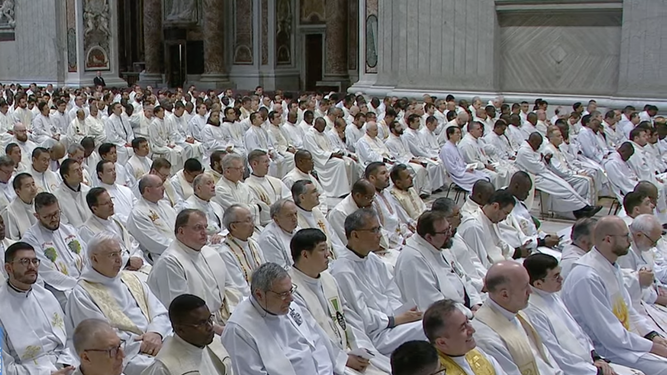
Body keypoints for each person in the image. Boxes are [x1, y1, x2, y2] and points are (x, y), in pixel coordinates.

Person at [563, 216, 667, 374]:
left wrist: (652, 336)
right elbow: (608, 333)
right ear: (608, 240)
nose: (630, 241)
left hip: (624, 342)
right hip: (606, 351)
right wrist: (653, 347)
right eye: (625, 236)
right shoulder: (587, 276)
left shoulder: (611, 266)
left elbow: (628, 308)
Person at [290, 228, 391, 374]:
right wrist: (343, 359)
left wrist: (360, 346)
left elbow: (347, 316)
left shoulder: (328, 279)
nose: (328, 254)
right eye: (322, 249)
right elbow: (311, 334)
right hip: (328, 361)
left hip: (350, 350)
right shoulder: (292, 290)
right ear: (305, 254)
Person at [66, 233, 170, 375]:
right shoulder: (82, 294)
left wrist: (156, 333)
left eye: (120, 253)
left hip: (158, 340)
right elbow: (97, 338)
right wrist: (143, 344)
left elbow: (159, 311)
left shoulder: (130, 278)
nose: (119, 260)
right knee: (166, 367)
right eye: (112, 255)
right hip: (125, 356)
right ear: (94, 259)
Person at [524, 253, 643, 375]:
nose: (561, 279)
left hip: (590, 362)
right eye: (556, 276)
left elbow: (578, 331)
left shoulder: (552, 294)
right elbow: (556, 354)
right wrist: (595, 371)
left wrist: (595, 357)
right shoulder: (533, 311)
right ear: (538, 283)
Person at [329, 208, 426, 355]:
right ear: (355, 235)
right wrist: (394, 319)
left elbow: (391, 291)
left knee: (435, 319)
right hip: (377, 335)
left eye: (379, 229)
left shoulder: (372, 258)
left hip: (394, 323)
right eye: (374, 230)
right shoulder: (342, 271)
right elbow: (362, 317)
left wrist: (402, 313)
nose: (379, 235)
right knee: (431, 328)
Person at [222, 263, 340, 375]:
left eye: (291, 290)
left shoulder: (289, 307)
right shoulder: (239, 330)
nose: (291, 299)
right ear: (259, 294)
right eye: (283, 294)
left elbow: (317, 345)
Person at [148, 209, 244, 329]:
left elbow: (230, 287)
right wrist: (218, 329)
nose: (204, 232)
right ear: (181, 231)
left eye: (205, 227)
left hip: (225, 317)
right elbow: (181, 311)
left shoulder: (210, 252)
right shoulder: (170, 262)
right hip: (197, 328)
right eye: (198, 228)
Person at [472, 261, 564, 375]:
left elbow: (546, 357)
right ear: (504, 294)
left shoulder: (518, 313)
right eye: (525, 287)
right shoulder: (486, 337)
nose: (530, 291)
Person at [0, 242, 77, 375]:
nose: (32, 267)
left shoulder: (46, 296)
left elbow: (68, 337)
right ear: (9, 268)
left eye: (35, 261)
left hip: (66, 364)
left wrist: (68, 364)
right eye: (24, 262)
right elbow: (5, 367)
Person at [395, 210, 482, 313]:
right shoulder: (413, 260)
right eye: (445, 232)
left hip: (466, 308)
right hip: (445, 319)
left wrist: (474, 302)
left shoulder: (441, 244)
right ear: (429, 237)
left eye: (449, 228)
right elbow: (432, 304)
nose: (450, 233)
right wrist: (468, 313)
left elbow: (462, 276)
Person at [516, 132, 601, 218]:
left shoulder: (532, 149)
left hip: (542, 174)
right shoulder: (524, 151)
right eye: (537, 144)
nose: (538, 147)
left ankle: (582, 208)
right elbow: (537, 167)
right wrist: (543, 161)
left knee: (565, 186)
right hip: (533, 177)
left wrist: (545, 160)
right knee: (562, 189)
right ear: (532, 141)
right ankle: (581, 209)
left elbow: (540, 163)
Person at [22, 192, 86, 306]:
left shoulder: (68, 230)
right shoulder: (31, 239)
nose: (54, 219)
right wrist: (78, 284)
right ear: (37, 216)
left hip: (84, 281)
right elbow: (46, 272)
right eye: (47, 216)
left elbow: (86, 255)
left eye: (56, 213)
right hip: (59, 290)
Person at [142, 294, 232, 375]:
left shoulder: (214, 342)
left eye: (209, 319)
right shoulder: (164, 368)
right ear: (180, 329)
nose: (210, 327)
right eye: (201, 323)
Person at [80, 187, 150, 280]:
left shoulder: (116, 219)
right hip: (118, 272)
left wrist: (137, 258)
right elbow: (97, 259)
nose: (111, 204)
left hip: (138, 262)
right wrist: (127, 262)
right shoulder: (88, 230)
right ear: (95, 208)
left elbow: (131, 242)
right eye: (106, 203)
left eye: (111, 200)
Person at [423, 299, 507, 375]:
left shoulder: (476, 352)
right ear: (442, 342)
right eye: (463, 328)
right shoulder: (435, 370)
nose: (472, 330)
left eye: (467, 322)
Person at [458, 189, 528, 268]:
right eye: (505, 213)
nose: (505, 218)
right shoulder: (473, 226)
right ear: (495, 206)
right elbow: (478, 263)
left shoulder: (492, 220)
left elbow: (500, 244)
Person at [499, 171, 561, 257]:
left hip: (535, 241)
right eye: (526, 191)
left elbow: (531, 226)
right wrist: (542, 242)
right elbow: (517, 238)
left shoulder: (518, 201)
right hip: (526, 249)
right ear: (516, 186)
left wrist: (546, 236)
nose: (528, 195)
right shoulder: (503, 204)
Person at [303, 117, 360, 198]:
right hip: (320, 160)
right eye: (322, 127)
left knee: (350, 161)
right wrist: (331, 155)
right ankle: (340, 191)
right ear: (316, 124)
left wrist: (337, 152)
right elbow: (315, 152)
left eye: (324, 127)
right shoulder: (309, 135)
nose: (323, 129)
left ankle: (351, 187)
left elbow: (331, 146)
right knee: (340, 163)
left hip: (328, 156)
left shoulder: (323, 133)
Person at [384, 120, 443, 197]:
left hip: (410, 158)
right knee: (419, 169)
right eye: (398, 126)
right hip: (402, 162)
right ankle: (416, 192)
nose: (401, 128)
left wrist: (415, 159)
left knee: (427, 164)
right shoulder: (389, 142)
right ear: (392, 129)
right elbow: (397, 157)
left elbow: (408, 151)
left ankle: (425, 190)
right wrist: (412, 161)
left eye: (400, 125)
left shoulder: (402, 138)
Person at [126, 174, 177, 262]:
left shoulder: (164, 205)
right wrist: (182, 246)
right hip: (162, 256)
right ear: (147, 190)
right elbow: (154, 243)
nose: (163, 188)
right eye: (159, 186)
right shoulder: (138, 214)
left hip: (178, 249)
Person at [218, 204, 265, 296]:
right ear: (233, 226)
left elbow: (266, 271)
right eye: (248, 220)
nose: (252, 224)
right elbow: (240, 288)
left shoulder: (254, 244)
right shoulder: (225, 253)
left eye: (252, 219)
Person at [292, 179, 344, 257]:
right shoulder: (295, 219)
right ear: (302, 197)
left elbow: (333, 238)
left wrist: (342, 257)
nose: (318, 194)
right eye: (314, 192)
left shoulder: (316, 211)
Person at [212, 153, 264, 228]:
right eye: (238, 169)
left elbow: (252, 204)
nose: (242, 171)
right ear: (227, 171)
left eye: (242, 168)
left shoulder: (244, 186)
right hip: (233, 229)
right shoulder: (220, 190)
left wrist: (253, 207)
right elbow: (237, 212)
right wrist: (255, 208)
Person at [245, 149, 291, 224]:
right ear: (254, 164)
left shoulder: (276, 181)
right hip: (268, 224)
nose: (268, 164)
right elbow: (262, 210)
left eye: (268, 161)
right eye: (265, 162)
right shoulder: (248, 186)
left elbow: (289, 198)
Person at [439, 126, 491, 193]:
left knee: (486, 176)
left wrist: (468, 167)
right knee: (481, 181)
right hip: (458, 175)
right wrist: (465, 170)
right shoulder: (446, 149)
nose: (459, 135)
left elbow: (461, 162)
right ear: (450, 135)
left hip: (463, 170)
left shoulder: (456, 146)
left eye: (460, 133)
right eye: (457, 133)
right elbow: (451, 168)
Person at [178, 173, 226, 241]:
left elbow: (226, 228)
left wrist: (220, 235)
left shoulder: (217, 206)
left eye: (213, 183)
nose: (213, 186)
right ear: (198, 188)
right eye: (208, 183)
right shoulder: (187, 208)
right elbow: (189, 233)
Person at [258, 199, 300, 269]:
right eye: (289, 215)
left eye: (295, 214)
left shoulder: (298, 229)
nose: (295, 219)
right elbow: (279, 270)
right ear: (276, 219)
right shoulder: (269, 238)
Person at [95, 159, 137, 224]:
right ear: (100, 174)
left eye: (114, 169)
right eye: (109, 170)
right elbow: (109, 215)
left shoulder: (126, 190)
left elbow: (136, 205)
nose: (114, 172)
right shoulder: (98, 196)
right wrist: (130, 222)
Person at [54, 158, 91, 227]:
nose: (80, 173)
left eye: (80, 169)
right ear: (66, 176)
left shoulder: (87, 190)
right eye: (76, 171)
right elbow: (63, 224)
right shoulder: (57, 197)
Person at [3, 172, 38, 240]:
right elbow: (12, 240)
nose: (33, 188)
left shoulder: (38, 203)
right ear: (18, 191)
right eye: (28, 186)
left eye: (33, 184)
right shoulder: (10, 212)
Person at [149, 106, 183, 174]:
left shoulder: (167, 121)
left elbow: (171, 133)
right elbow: (156, 139)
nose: (163, 113)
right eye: (161, 111)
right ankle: (170, 172)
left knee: (181, 149)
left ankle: (179, 170)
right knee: (169, 152)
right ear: (156, 113)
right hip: (158, 145)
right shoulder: (153, 124)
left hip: (168, 143)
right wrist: (167, 144)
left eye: (163, 111)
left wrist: (172, 143)